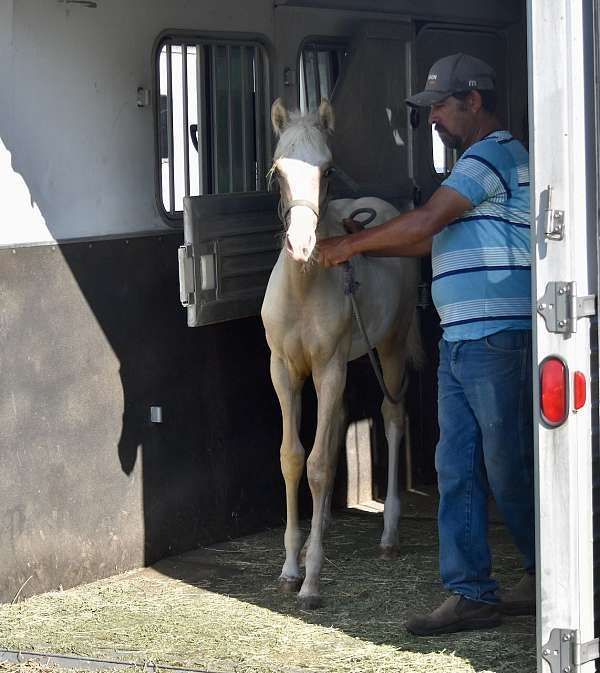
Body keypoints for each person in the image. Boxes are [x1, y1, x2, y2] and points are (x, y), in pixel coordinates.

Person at [318, 53, 535, 636]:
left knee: (505, 465)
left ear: (474, 101)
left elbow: (425, 224)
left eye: (440, 105)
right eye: (429, 108)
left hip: (496, 338)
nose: (433, 117)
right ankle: (470, 593)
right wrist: (365, 244)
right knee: (456, 467)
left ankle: (548, 572)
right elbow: (425, 242)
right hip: (464, 338)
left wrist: (347, 250)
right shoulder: (472, 168)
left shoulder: (491, 156)